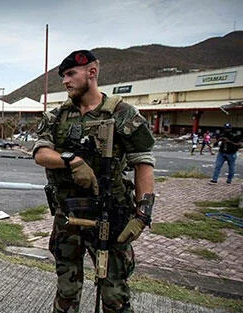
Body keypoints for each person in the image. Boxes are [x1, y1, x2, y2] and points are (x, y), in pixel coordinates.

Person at [33, 50, 155, 313]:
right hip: (68, 216)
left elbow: (142, 161)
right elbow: (41, 153)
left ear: (92, 72)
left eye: (70, 74)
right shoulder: (56, 117)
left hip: (110, 216)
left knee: (114, 294)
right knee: (66, 290)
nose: (65, 81)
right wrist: (73, 161)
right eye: (63, 76)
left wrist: (143, 213)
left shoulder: (123, 114)